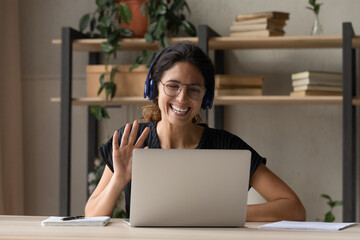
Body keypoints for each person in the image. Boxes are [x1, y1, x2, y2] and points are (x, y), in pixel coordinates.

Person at [85, 41, 306, 222]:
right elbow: (91, 215)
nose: (182, 98)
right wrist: (119, 179)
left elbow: (294, 209)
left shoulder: (227, 146)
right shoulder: (131, 140)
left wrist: (223, 215)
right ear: (154, 88)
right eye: (172, 86)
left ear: (205, 98)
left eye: (194, 90)